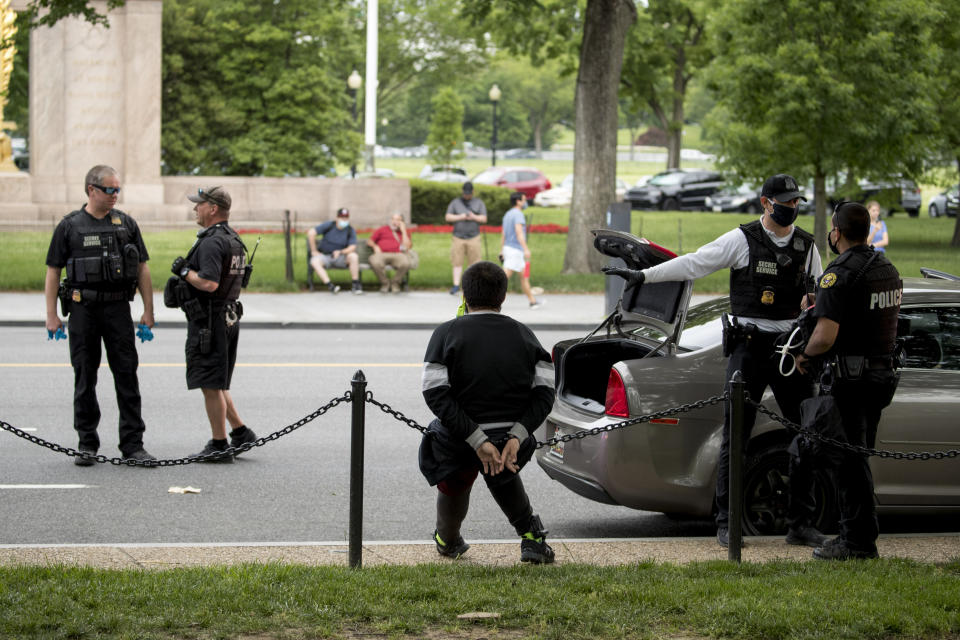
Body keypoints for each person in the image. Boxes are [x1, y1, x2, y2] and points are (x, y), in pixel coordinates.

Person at [603, 173, 827, 549]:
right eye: (785, 202)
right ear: (765, 203)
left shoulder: (807, 246)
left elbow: (819, 296)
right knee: (736, 435)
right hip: (749, 348)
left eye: (796, 203)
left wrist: (810, 341)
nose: (792, 208)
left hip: (789, 351)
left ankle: (800, 522)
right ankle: (726, 522)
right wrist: (643, 275)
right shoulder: (741, 240)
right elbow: (694, 264)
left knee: (805, 434)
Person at [419, 261, 556, 564]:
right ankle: (532, 538)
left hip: (458, 441)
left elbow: (434, 393)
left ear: (465, 297)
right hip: (510, 439)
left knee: (454, 477)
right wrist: (516, 436)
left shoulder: (445, 334)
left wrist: (476, 439)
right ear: (503, 297)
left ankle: (448, 539)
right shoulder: (524, 334)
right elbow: (545, 392)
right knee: (503, 469)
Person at [795, 202, 902, 560]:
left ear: (836, 232)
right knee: (857, 458)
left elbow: (825, 336)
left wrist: (804, 356)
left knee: (848, 463)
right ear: (867, 231)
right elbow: (867, 315)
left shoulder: (837, 274)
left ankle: (855, 543)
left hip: (850, 381)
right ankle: (860, 537)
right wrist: (822, 302)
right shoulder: (886, 268)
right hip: (880, 377)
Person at [44, 165, 156, 466]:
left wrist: (148, 309)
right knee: (85, 377)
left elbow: (142, 267)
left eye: (118, 189)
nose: (115, 195)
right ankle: (87, 443)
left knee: (127, 376)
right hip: (83, 310)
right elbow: (53, 270)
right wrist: (51, 314)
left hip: (119, 309)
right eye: (110, 190)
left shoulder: (126, 224)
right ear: (92, 189)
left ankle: (133, 445)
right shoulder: (70, 226)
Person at [172, 186, 257, 463]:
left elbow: (208, 283)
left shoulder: (211, 241)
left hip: (209, 320)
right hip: (228, 317)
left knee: (209, 383)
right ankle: (241, 432)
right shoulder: (234, 239)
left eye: (199, 204)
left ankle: (219, 445)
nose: (195, 208)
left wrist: (185, 272)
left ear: (213, 209)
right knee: (218, 381)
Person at [500, 192, 542, 309]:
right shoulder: (518, 215)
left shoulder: (507, 214)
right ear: (518, 201)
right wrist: (526, 249)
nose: (525, 203)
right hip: (515, 250)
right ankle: (489, 300)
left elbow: (503, 234)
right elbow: (519, 233)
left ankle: (532, 301)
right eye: (523, 200)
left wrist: (501, 250)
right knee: (502, 278)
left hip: (508, 248)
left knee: (524, 276)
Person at [308, 208, 363, 295]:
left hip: (341, 257)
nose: (344, 219)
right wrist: (314, 250)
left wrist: (341, 252)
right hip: (325, 256)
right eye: (342, 217)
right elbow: (311, 233)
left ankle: (355, 284)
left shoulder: (350, 230)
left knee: (353, 256)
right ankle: (330, 286)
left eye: (346, 217)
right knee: (314, 261)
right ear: (337, 218)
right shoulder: (329, 225)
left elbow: (352, 246)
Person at [445, 181, 487, 295]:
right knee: (457, 261)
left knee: (474, 263)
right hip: (458, 237)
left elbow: (484, 218)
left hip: (474, 237)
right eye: (465, 193)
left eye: (469, 193)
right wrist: (461, 216)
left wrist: (473, 217)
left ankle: (472, 285)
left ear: (472, 192)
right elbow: (448, 217)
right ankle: (456, 285)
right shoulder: (455, 203)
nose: (467, 195)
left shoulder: (479, 203)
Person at [367, 213, 413, 293]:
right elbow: (369, 241)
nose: (394, 222)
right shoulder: (382, 229)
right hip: (382, 254)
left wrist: (403, 231)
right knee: (374, 261)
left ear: (402, 222)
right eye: (393, 219)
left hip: (398, 254)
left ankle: (395, 283)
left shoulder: (405, 232)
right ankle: (385, 283)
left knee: (406, 263)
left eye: (397, 220)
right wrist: (375, 246)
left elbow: (408, 246)